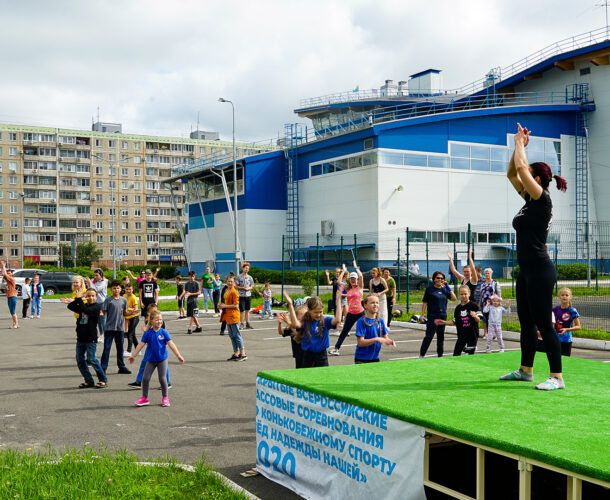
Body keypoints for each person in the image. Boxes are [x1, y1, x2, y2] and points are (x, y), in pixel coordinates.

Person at [500, 123, 568, 390]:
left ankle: (557, 377)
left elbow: (520, 169)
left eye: (528, 175)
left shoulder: (542, 199)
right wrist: (517, 150)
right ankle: (525, 370)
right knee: (526, 323)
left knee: (543, 324)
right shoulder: (529, 201)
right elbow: (511, 173)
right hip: (526, 271)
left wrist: (520, 144)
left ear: (536, 180)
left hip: (540, 270)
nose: (523, 177)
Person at [130, 311, 184, 407]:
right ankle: (145, 398)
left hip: (162, 359)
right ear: (151, 321)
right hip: (150, 360)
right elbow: (140, 345)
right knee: (145, 378)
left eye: (161, 320)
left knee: (162, 379)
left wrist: (178, 355)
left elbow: (171, 344)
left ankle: (165, 398)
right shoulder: (147, 333)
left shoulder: (164, 332)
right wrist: (133, 355)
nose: (159, 321)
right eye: (157, 320)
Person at [61, 288, 108, 389]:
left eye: (93, 296)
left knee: (92, 359)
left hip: (90, 338)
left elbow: (86, 310)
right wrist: (78, 299)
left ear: (96, 297)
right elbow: (71, 306)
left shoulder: (96, 307)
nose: (91, 298)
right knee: (80, 360)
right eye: (89, 295)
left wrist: (79, 299)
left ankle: (103, 379)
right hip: (81, 338)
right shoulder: (84, 305)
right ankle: (88, 380)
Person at [284, 289, 342, 368]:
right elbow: (295, 324)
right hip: (308, 355)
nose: (318, 315)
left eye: (320, 312)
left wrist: (338, 300)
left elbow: (337, 320)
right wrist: (290, 305)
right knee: (307, 377)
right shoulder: (305, 321)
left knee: (323, 377)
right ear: (309, 310)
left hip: (322, 355)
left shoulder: (325, 320)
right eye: (315, 312)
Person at [128, 303, 172, 389]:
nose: (154, 314)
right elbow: (144, 340)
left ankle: (167, 382)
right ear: (148, 313)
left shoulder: (160, 322)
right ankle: (139, 381)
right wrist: (133, 354)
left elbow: (161, 335)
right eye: (152, 312)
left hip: (159, 348)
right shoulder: (148, 321)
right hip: (150, 348)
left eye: (155, 311)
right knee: (144, 363)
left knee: (163, 365)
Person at [329, 261, 364, 356]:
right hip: (351, 314)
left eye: (355, 279)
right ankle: (336, 349)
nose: (353, 280)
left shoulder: (360, 287)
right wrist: (343, 271)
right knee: (344, 331)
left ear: (357, 280)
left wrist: (356, 267)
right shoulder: (348, 288)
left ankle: (370, 345)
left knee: (365, 330)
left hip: (361, 313)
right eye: (352, 278)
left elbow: (361, 276)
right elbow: (338, 282)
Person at [419, 271, 457, 358]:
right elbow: (425, 303)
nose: (440, 280)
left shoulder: (444, 289)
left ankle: (440, 355)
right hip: (432, 316)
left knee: (441, 336)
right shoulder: (430, 289)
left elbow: (454, 298)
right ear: (434, 279)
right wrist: (422, 315)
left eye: (442, 278)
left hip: (442, 315)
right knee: (429, 336)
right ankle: (422, 355)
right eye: (438, 278)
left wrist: (448, 287)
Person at [435, 285, 480, 356]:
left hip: (472, 335)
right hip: (461, 335)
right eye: (461, 294)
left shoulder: (473, 305)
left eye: (465, 294)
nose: (463, 296)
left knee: (470, 354)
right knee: (456, 354)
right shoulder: (458, 308)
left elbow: (478, 320)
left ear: (469, 294)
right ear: (459, 295)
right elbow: (455, 322)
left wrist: (475, 316)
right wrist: (443, 322)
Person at [100, 279, 132, 375]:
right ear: (111, 289)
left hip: (120, 328)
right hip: (109, 328)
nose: (116, 290)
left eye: (118, 288)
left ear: (121, 289)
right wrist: (97, 313)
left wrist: (131, 312)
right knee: (107, 348)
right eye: (114, 288)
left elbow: (125, 312)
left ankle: (121, 367)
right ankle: (103, 367)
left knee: (120, 348)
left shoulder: (123, 300)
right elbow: (103, 312)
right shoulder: (108, 300)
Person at [354, 294, 396, 364]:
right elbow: (360, 343)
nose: (375, 304)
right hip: (361, 358)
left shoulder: (380, 321)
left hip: (375, 357)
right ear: (365, 305)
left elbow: (385, 337)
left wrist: (390, 341)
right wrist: (376, 339)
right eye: (372, 303)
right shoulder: (361, 321)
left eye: (377, 302)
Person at [220, 275, 247, 361]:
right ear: (226, 282)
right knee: (232, 336)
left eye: (232, 281)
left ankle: (243, 354)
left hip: (234, 316)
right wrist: (221, 306)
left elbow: (236, 305)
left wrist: (225, 306)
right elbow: (225, 302)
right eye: (229, 281)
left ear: (234, 282)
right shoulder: (226, 290)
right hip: (228, 316)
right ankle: (236, 353)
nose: (230, 283)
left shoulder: (234, 292)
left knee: (237, 335)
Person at [553, 287, 580, 357]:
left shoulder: (572, 311)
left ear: (570, 297)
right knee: (555, 359)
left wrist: (567, 329)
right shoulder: (555, 309)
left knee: (565, 361)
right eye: (562, 295)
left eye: (566, 295)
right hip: (555, 339)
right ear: (559, 297)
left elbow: (578, 326)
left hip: (566, 340)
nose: (564, 297)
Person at [478, 268, 502, 338]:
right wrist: (480, 303)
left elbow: (499, 294)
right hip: (484, 304)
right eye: (486, 273)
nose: (487, 274)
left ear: (491, 274)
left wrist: (498, 303)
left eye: (488, 273)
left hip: (493, 304)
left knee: (493, 319)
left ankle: (494, 334)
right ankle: (487, 333)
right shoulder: (483, 284)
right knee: (485, 318)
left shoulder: (495, 283)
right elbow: (481, 294)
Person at [86, 269, 107, 342]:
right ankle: (100, 334)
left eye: (97, 275)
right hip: (95, 303)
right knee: (97, 320)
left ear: (101, 275)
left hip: (102, 303)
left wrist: (89, 283)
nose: (95, 277)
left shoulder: (103, 282)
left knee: (102, 320)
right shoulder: (94, 281)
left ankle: (103, 335)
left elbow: (95, 290)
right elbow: (89, 289)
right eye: (94, 275)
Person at [235, 262, 255, 329]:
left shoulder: (250, 277)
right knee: (242, 311)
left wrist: (248, 288)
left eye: (248, 268)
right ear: (242, 268)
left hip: (248, 295)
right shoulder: (238, 277)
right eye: (245, 268)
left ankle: (248, 323)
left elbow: (252, 286)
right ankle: (241, 323)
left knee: (247, 310)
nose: (247, 269)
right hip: (241, 296)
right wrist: (243, 288)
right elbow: (236, 286)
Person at [123, 283, 140, 356]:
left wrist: (128, 309)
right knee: (133, 334)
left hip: (134, 317)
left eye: (130, 289)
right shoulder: (124, 296)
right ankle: (138, 350)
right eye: (127, 289)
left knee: (130, 333)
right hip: (128, 317)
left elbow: (136, 309)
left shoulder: (133, 298)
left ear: (132, 290)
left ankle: (129, 351)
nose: (128, 291)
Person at [1, 262, 18, 329]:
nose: (8, 274)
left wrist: (3, 265)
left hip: (13, 297)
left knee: (13, 312)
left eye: (9, 273)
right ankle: (15, 323)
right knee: (12, 311)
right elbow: (3, 274)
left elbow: (4, 274)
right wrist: (3, 267)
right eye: (7, 273)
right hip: (9, 297)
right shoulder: (7, 280)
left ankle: (15, 324)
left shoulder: (12, 279)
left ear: (12, 274)